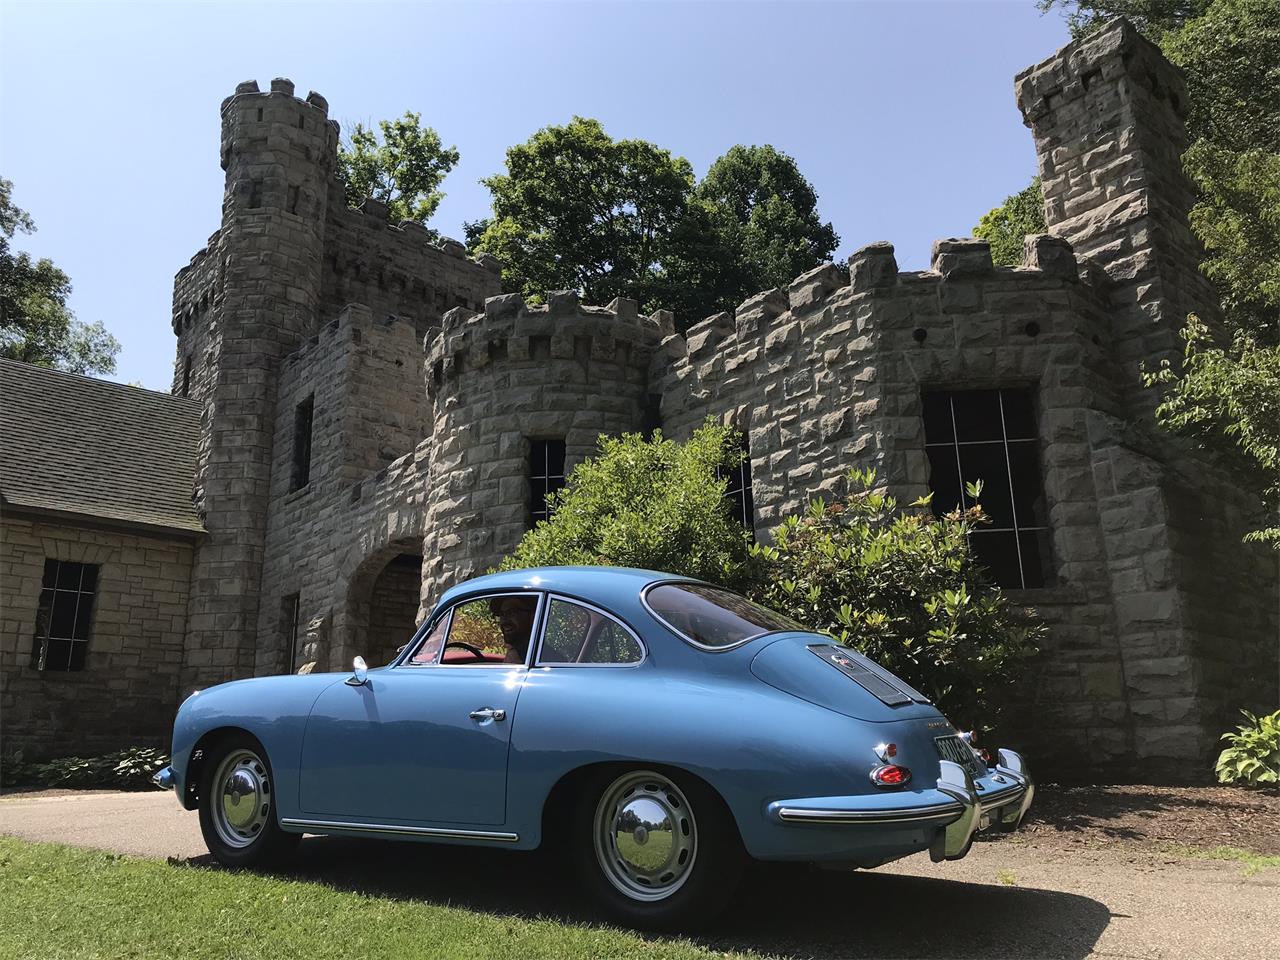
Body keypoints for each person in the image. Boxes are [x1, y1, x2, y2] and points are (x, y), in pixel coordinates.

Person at [489, 595, 536, 664]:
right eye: (501, 614)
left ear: (533, 616)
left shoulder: (528, 658)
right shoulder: (524, 653)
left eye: (512, 612)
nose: (505, 619)